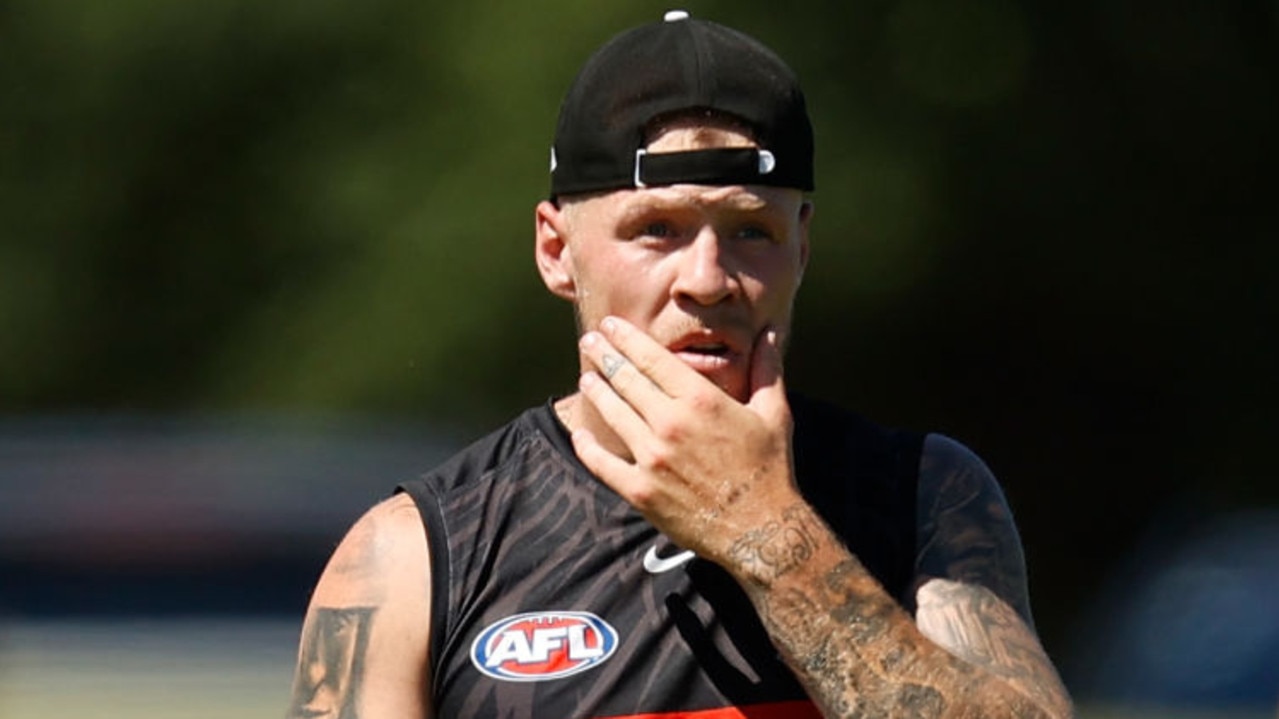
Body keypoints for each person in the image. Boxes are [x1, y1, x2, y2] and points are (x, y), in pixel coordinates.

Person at [288, 10, 1073, 718]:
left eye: (750, 231)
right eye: (657, 228)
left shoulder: (919, 497)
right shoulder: (424, 553)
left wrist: (763, 530)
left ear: (802, 246)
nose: (707, 278)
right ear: (556, 251)